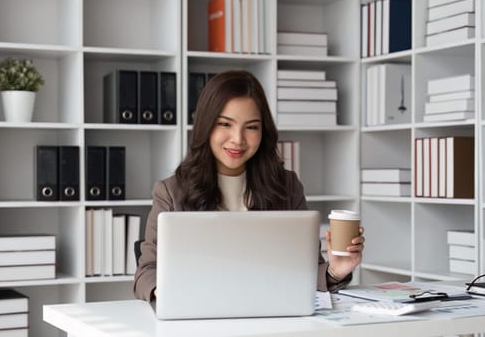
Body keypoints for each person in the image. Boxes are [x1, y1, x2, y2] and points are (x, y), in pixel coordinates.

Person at [133, 70, 365, 301]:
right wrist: (176, 295)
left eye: (251, 127)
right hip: (201, 315)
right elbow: (146, 273)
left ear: (263, 131)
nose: (238, 139)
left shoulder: (287, 187)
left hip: (271, 315)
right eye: (225, 124)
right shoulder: (170, 192)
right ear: (206, 125)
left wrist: (336, 270)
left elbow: (307, 272)